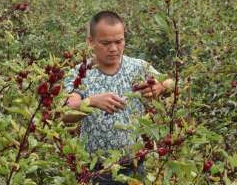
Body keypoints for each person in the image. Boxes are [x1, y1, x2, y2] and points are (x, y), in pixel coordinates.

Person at [63, 10, 173, 184]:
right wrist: (91, 102)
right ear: (90, 42)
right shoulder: (80, 73)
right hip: (97, 170)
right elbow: (66, 112)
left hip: (135, 165)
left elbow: (172, 82)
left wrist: (161, 86)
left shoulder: (139, 67)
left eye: (119, 41)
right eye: (105, 43)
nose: (113, 48)